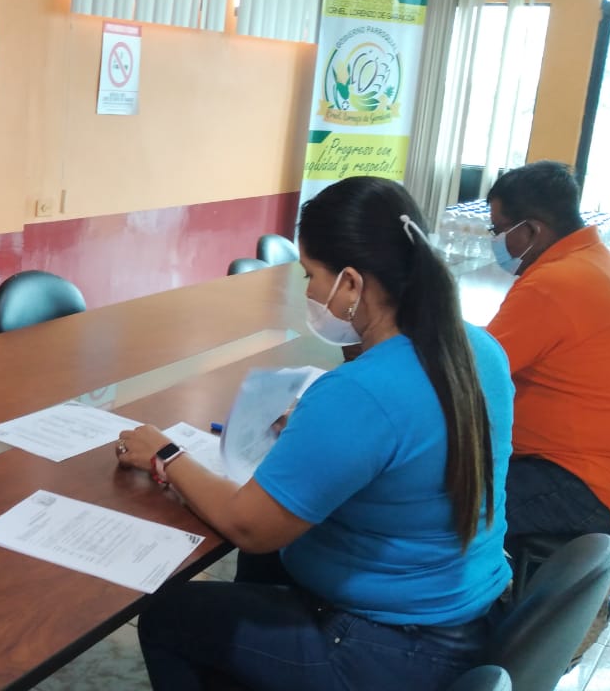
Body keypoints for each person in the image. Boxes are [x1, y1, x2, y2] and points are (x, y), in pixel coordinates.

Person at [116, 177, 515, 691]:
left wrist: (166, 453)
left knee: (169, 615)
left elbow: (248, 526)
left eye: (310, 274)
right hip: (468, 612)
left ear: (350, 283)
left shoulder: (361, 392)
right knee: (264, 563)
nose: (307, 290)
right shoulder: (477, 348)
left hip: (396, 648)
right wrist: (318, 432)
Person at [486, 161, 610, 541]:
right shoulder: (596, 263)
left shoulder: (553, 284)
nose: (496, 241)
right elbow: (491, 352)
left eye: (499, 230)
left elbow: (470, 372)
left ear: (532, 230)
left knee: (430, 505)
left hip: (590, 488)